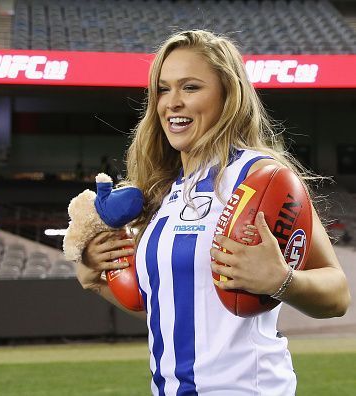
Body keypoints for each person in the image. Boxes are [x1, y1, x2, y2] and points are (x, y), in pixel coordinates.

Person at [76, 30, 350, 395]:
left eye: (190, 87)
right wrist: (93, 277)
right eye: (163, 89)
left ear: (228, 95)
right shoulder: (164, 191)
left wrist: (282, 280)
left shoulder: (261, 176)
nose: (172, 102)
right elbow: (164, 308)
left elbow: (338, 295)